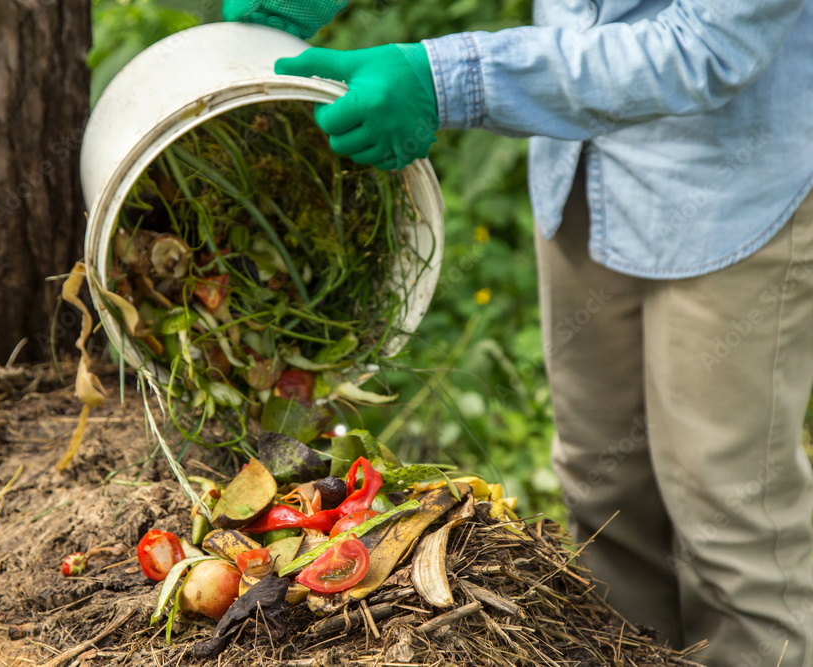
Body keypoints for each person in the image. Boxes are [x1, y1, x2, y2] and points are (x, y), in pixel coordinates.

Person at [222, 1, 813, 665]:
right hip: (581, 164)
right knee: (604, 489)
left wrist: (446, 80)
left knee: (729, 516)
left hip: (729, 192)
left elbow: (709, 44)